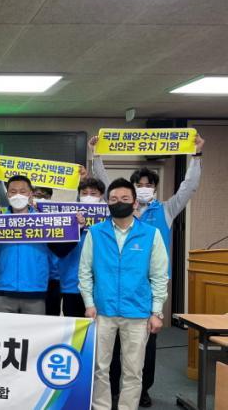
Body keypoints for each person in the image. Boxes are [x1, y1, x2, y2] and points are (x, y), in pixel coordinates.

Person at [89, 133, 204, 407]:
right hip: (114, 287)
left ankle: (142, 389)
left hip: (148, 288)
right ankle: (112, 390)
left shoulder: (166, 210)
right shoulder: (119, 210)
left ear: (155, 188)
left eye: (148, 185)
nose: (143, 189)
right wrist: (96, 156)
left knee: (144, 346)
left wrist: (197, 156)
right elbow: (107, 185)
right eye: (138, 185)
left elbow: (188, 188)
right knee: (111, 346)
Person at [79, 177, 168, 410]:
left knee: (133, 370)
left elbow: (159, 275)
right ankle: (101, 407)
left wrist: (156, 311)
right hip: (102, 311)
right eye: (114, 199)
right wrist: (89, 303)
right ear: (107, 203)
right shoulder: (95, 233)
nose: (119, 202)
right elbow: (85, 272)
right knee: (100, 368)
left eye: (125, 198)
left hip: (138, 312)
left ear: (135, 202)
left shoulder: (151, 234)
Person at [0, 175, 52, 315]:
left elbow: (61, 251)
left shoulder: (44, 222)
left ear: (30, 194)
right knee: (3, 329)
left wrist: (78, 228)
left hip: (35, 290)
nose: (18, 195)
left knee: (35, 330)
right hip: (4, 290)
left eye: (22, 191)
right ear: (7, 194)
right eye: (13, 191)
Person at [49, 178, 106, 317]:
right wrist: (77, 228)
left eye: (93, 194)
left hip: (101, 288)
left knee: (100, 329)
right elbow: (60, 251)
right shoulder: (67, 220)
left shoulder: (108, 223)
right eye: (84, 193)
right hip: (72, 286)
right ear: (79, 195)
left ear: (101, 196)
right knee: (74, 329)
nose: (88, 197)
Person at [31, 186, 62, 316]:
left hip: (54, 277)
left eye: (45, 196)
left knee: (52, 315)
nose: (42, 199)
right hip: (33, 277)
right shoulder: (21, 217)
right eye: (38, 195)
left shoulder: (58, 218)